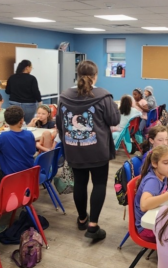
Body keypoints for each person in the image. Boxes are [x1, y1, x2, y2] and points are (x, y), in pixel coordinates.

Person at [56, 60, 120, 240]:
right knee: (99, 184)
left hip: (74, 149)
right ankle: (93, 226)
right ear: (95, 76)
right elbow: (114, 120)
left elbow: (60, 123)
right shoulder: (103, 96)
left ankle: (82, 219)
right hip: (97, 150)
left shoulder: (64, 96)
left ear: (78, 75)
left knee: (80, 183)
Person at [134, 145, 168, 243]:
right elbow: (144, 205)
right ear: (154, 163)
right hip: (147, 229)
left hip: (155, 221)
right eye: (166, 163)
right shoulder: (152, 181)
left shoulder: (162, 175)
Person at [0, 106, 36, 176]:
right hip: (29, 175)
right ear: (22, 121)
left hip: (11, 177)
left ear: (6, 121)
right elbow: (33, 151)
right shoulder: (29, 134)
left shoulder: (4, 136)